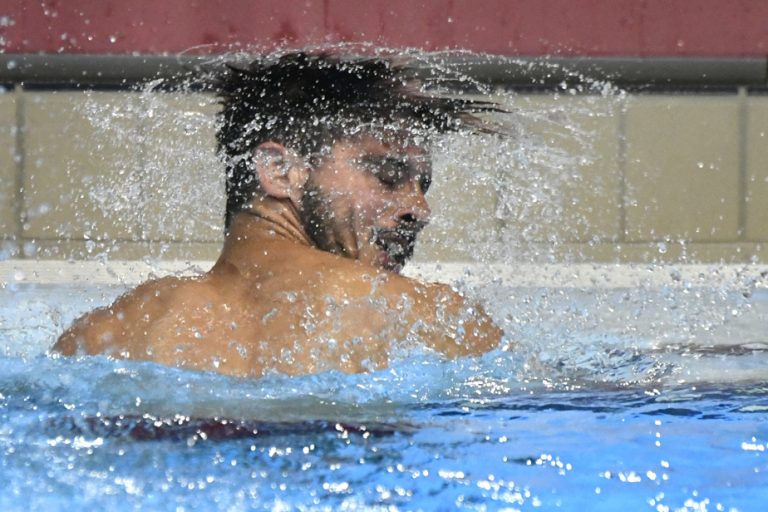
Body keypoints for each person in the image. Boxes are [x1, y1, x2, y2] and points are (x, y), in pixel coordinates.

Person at [53, 52, 503, 378]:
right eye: (388, 175)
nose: (420, 211)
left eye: (422, 186)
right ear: (280, 171)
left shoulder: (107, 336)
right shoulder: (424, 315)